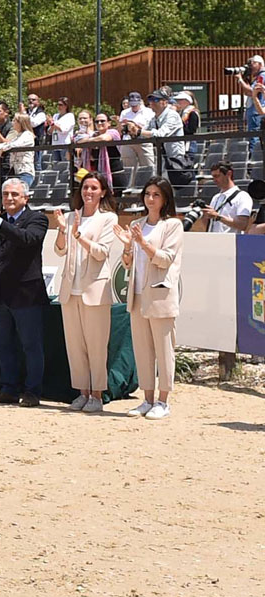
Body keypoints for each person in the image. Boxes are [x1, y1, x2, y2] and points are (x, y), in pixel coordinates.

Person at [0, 179, 49, 407]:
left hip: (26, 294)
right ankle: (8, 388)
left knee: (31, 345)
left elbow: (27, 239)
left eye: (15, 194)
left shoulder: (38, 219)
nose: (9, 198)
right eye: (6, 194)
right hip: (0, 293)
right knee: (3, 345)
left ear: (25, 198)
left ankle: (33, 391)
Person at [116, 177, 183, 420]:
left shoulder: (173, 225)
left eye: (156, 194)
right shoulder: (137, 223)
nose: (150, 199)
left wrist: (143, 243)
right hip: (138, 293)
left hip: (160, 294)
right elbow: (127, 263)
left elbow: (166, 258)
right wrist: (127, 246)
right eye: (147, 194)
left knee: (164, 349)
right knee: (142, 350)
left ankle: (163, 401)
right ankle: (147, 399)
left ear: (165, 198)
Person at [53, 171, 120, 413]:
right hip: (71, 289)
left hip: (95, 289)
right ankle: (82, 392)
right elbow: (59, 250)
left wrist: (79, 236)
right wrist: (62, 230)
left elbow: (101, 252)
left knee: (96, 345)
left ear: (102, 192)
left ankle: (97, 395)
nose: (88, 192)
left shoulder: (109, 219)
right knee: (75, 345)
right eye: (85, 188)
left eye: (93, 188)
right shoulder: (71, 217)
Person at [144, 91, 191, 185]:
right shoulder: (154, 119)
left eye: (156, 100)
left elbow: (160, 134)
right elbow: (143, 132)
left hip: (175, 160)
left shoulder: (172, 115)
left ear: (165, 102)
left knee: (172, 188)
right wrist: (133, 131)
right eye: (150, 100)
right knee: (160, 186)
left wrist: (140, 132)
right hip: (161, 160)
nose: (152, 102)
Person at [0, 111, 37, 188]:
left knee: (20, 193)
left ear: (21, 123)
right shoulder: (18, 136)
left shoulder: (27, 134)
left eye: (14, 120)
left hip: (25, 172)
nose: (12, 122)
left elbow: (14, 144)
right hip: (15, 172)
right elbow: (6, 144)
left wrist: (3, 149)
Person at [198, 160, 252, 233]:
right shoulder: (215, 197)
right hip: (214, 240)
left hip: (231, 242)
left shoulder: (243, 196)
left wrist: (217, 217)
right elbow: (209, 226)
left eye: (217, 176)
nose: (214, 180)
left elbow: (242, 225)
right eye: (213, 177)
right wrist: (204, 214)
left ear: (229, 174)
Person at [119, 92, 157, 171]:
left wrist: (136, 126)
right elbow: (121, 128)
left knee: (148, 167)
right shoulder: (124, 112)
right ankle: (131, 183)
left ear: (140, 102)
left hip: (143, 141)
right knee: (128, 169)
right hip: (128, 141)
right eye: (132, 104)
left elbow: (151, 128)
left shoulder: (149, 112)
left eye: (135, 104)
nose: (134, 107)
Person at [238, 56, 264, 154]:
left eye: (252, 64)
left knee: (254, 137)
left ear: (260, 64)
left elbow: (252, 91)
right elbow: (247, 92)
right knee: (252, 136)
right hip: (253, 111)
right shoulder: (257, 77)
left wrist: (240, 80)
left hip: (256, 111)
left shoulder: (262, 76)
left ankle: (255, 159)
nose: (250, 67)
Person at [49, 98, 76, 166]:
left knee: (65, 166)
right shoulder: (55, 116)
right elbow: (49, 131)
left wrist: (52, 124)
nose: (59, 107)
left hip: (65, 145)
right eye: (58, 105)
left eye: (61, 105)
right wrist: (52, 125)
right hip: (55, 145)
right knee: (56, 167)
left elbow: (64, 130)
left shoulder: (70, 116)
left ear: (66, 106)